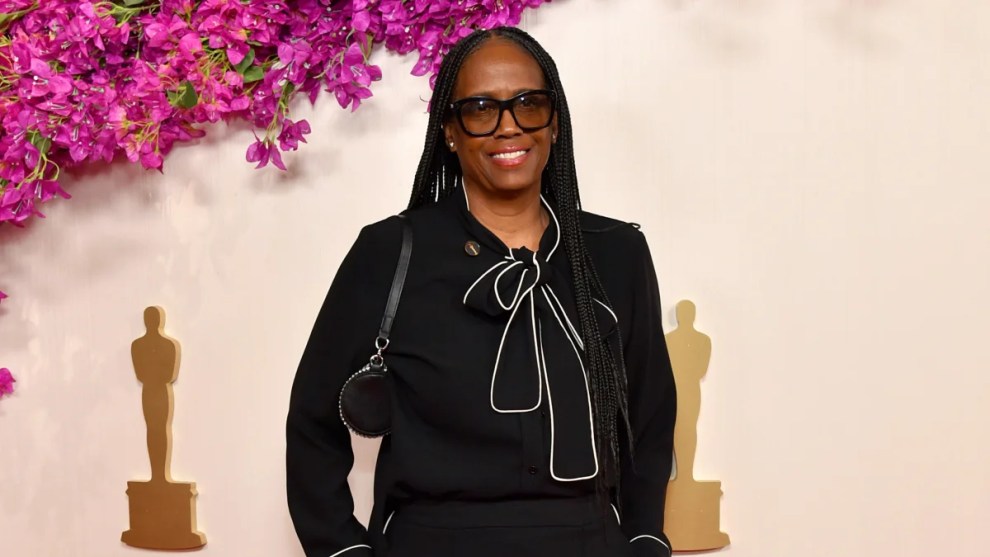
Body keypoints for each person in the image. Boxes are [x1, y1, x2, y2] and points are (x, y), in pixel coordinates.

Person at [286, 26, 676, 557]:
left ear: (555, 121)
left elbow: (649, 419)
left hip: (587, 541)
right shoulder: (389, 252)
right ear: (450, 130)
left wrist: (646, 537)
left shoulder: (617, 252)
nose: (507, 126)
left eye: (528, 104)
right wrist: (342, 549)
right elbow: (312, 422)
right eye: (480, 109)